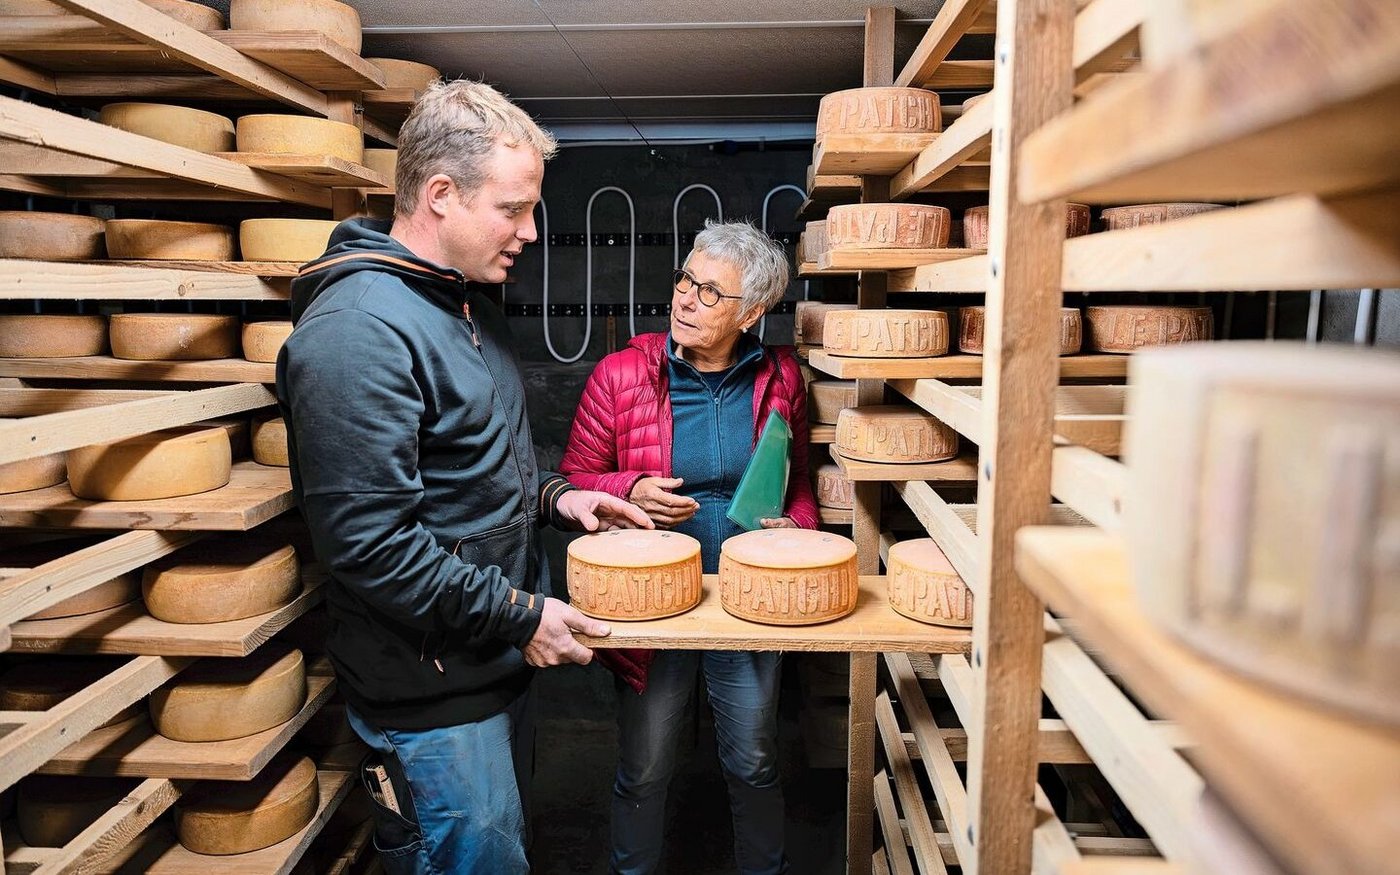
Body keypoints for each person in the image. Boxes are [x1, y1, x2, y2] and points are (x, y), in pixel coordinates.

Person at [276, 80, 651, 875]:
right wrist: (520, 614)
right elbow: (372, 548)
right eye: (513, 208)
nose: (532, 230)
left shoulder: (463, 304)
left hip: (488, 668)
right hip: (431, 703)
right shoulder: (358, 333)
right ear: (440, 194)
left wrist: (560, 496)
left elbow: (475, 464)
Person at [560, 219, 820, 874]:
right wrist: (629, 488)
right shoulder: (622, 375)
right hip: (653, 609)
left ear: (753, 311)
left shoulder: (781, 378)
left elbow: (801, 486)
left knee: (754, 762)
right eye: (685, 279)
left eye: (709, 292)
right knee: (644, 768)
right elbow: (569, 483)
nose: (684, 298)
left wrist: (797, 529)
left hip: (747, 604)